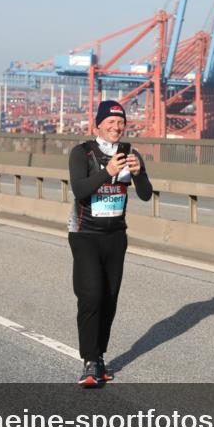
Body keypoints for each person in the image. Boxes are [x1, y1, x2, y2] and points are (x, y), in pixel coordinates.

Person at [68, 100, 153, 387]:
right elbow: (80, 189)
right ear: (98, 126)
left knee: (109, 299)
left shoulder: (131, 153)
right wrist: (107, 172)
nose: (116, 127)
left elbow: (146, 195)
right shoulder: (82, 152)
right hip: (85, 234)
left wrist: (139, 173)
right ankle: (89, 361)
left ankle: (100, 356)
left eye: (120, 123)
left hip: (116, 236)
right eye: (110, 122)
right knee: (91, 295)